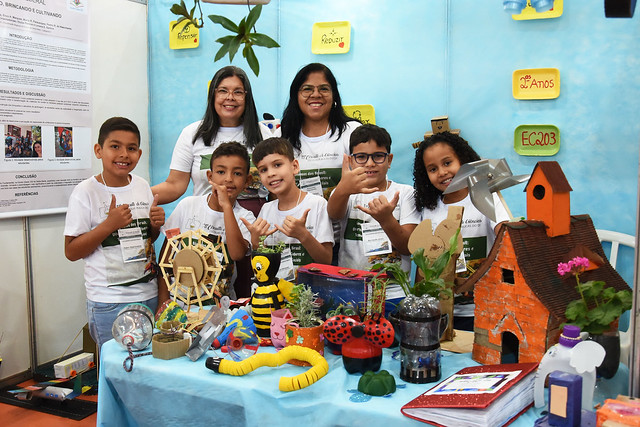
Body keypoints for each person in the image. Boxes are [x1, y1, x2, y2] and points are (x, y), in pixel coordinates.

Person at [64, 117, 165, 348]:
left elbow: (147, 240)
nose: (123, 154)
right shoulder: (85, 192)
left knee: (144, 368)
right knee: (117, 371)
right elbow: (71, 251)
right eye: (115, 146)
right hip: (108, 302)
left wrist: (155, 226)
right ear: (99, 150)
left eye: (131, 148)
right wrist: (108, 225)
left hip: (147, 294)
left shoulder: (141, 185)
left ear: (139, 154)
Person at [413, 131, 509, 331]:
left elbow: (506, 240)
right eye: (432, 169)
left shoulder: (486, 197)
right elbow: (423, 262)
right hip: (442, 313)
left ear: (464, 162)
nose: (442, 172)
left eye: (447, 163)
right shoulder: (429, 210)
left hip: (484, 309)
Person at [152, 66, 266, 216]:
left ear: (247, 97)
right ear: (213, 95)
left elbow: (276, 187)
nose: (230, 97)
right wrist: (134, 197)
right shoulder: (192, 133)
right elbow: (175, 185)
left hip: (254, 221)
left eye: (238, 92)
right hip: (205, 222)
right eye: (223, 91)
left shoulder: (264, 135)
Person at [327, 124, 420, 302]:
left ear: (389, 160)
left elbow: (408, 247)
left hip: (394, 293)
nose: (370, 163)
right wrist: (343, 189)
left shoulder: (405, 193)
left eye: (378, 156)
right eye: (361, 157)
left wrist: (386, 220)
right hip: (351, 290)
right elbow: (334, 214)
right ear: (351, 161)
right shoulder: (344, 193)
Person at [160, 142, 255, 299]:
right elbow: (165, 258)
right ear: (210, 177)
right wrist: (163, 301)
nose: (228, 179)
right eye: (221, 172)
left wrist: (226, 207)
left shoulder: (246, 217)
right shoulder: (187, 206)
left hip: (221, 309)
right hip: (179, 304)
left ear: (247, 181)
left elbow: (237, 254)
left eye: (237, 173)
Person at [241, 137, 333, 281]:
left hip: (309, 296)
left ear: (294, 167)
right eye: (263, 170)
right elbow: (260, 264)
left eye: (277, 165)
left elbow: (326, 260)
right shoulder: (266, 209)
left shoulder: (317, 204)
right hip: (274, 295)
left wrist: (303, 235)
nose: (271, 173)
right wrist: (256, 242)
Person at [280, 62, 361, 199]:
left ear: (334, 95)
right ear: (296, 96)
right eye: (307, 89)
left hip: (345, 218)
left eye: (324, 89)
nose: (316, 95)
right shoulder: (282, 136)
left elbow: (371, 179)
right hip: (296, 219)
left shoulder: (353, 132)